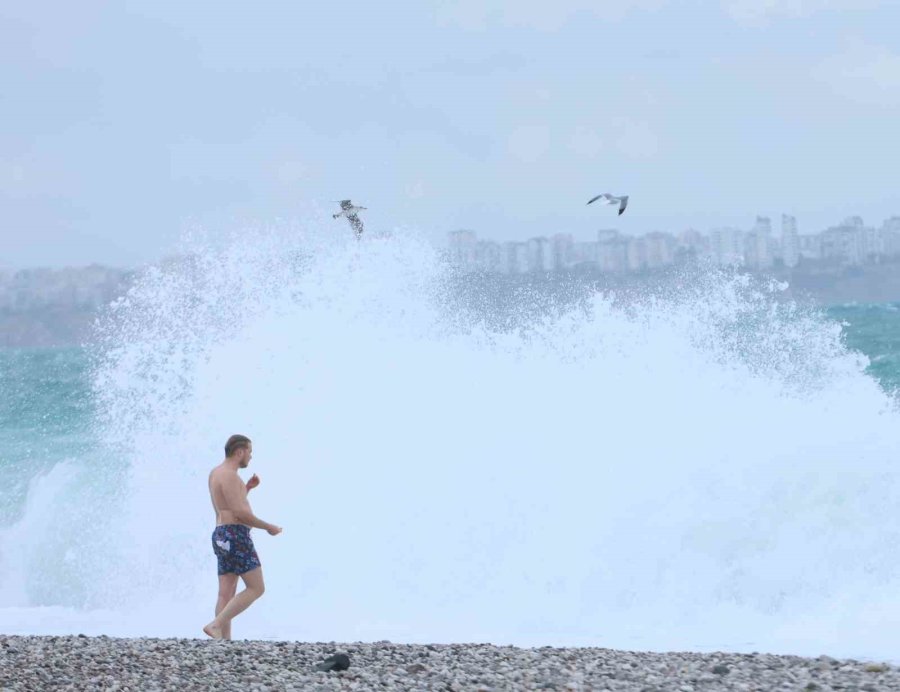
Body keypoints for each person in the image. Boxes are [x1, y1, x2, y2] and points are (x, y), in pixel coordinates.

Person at [203, 434, 282, 640]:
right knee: (257, 588)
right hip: (236, 535)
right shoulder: (230, 476)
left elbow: (226, 506)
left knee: (225, 593)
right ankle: (216, 625)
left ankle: (223, 641)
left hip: (221, 534)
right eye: (250, 452)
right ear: (240, 452)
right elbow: (240, 514)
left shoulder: (215, 473)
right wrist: (268, 527)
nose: (250, 457)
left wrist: (246, 489)